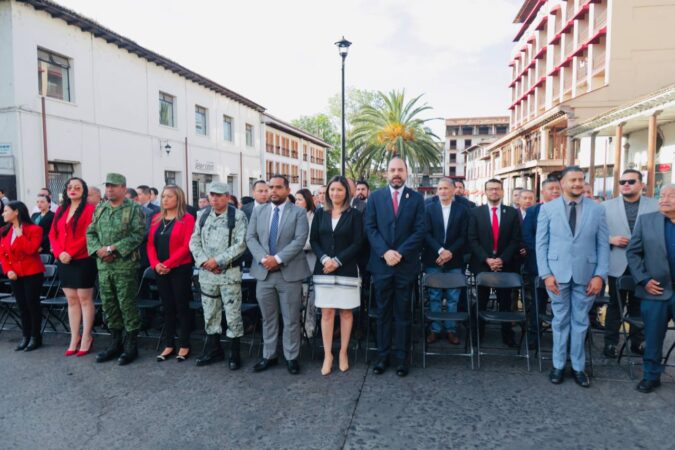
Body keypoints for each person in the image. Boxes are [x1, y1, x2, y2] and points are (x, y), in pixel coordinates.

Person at [536, 166, 609, 388]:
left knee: (580, 322)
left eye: (581, 179)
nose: (577, 183)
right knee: (559, 321)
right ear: (562, 184)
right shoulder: (547, 209)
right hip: (556, 276)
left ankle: (578, 367)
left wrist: (600, 275)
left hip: (587, 276)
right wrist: (546, 274)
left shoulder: (597, 210)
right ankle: (558, 365)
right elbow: (541, 244)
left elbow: (603, 245)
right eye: (573, 180)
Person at [365, 157, 425, 377]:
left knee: (403, 314)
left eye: (400, 169)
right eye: (392, 170)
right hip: (381, 266)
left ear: (406, 172)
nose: (396, 173)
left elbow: (420, 230)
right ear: (386, 173)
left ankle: (402, 358)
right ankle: (382, 357)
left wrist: (399, 253)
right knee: (383, 313)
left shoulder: (417, 199)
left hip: (405, 266)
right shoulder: (376, 198)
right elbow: (370, 228)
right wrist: (385, 252)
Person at [246, 174, 311, 375]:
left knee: (291, 318)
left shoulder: (298, 213)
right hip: (264, 272)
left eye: (278, 187)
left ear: (287, 190)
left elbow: (300, 240)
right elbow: (250, 237)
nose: (273, 191)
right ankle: (269, 355)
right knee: (268, 317)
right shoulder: (260, 211)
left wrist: (278, 259)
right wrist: (264, 259)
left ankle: (291, 357)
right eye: (270, 187)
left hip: (289, 273)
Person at [87, 173, 146, 366]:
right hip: (104, 265)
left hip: (125, 266)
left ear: (123, 187)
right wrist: (99, 250)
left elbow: (138, 235)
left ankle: (130, 346)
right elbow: (91, 232)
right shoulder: (101, 208)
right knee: (109, 304)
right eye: (107, 186)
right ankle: (115, 342)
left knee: (126, 304)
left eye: (114, 186)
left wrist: (113, 249)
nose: (109, 189)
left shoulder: (134, 209)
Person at [190, 182, 248, 370]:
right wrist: (204, 261)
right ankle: (214, 350)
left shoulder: (237, 216)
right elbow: (194, 241)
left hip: (228, 274)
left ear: (227, 197)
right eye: (212, 195)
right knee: (210, 313)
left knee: (232, 315)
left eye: (219, 195)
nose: (214, 199)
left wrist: (218, 261)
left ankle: (234, 353)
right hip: (207, 274)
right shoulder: (202, 215)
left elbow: (240, 244)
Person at [602, 169, 658, 358]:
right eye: (622, 181)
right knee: (614, 305)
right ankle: (610, 343)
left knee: (638, 306)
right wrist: (611, 239)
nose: (626, 184)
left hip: (644, 264)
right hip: (616, 262)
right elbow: (595, 233)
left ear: (642, 184)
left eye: (631, 181)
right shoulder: (606, 206)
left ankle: (637, 342)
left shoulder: (655, 205)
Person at [310, 176, 363, 375]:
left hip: (347, 270)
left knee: (346, 313)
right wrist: (325, 260)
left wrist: (337, 261)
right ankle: (328, 355)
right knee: (327, 313)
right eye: (332, 190)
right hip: (324, 269)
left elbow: (358, 242)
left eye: (340, 190)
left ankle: (342, 352)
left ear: (346, 193)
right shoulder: (320, 213)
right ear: (327, 192)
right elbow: (314, 240)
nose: (335, 193)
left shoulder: (355, 215)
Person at [626, 184, 675, 393]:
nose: (664, 199)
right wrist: (643, 280)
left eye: (670, 195)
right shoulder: (647, 221)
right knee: (653, 338)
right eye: (661, 195)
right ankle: (651, 376)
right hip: (655, 291)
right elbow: (633, 253)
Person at [468, 178, 522, 347]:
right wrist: (487, 259)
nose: (494, 192)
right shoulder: (475, 213)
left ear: (502, 191)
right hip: (482, 265)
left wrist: (501, 259)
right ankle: (478, 334)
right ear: (485, 192)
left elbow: (515, 240)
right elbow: (472, 239)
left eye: (497, 189)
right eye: (490, 189)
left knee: (505, 303)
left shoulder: (512, 213)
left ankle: (507, 335)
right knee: (481, 302)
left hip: (505, 265)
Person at [49, 177, 97, 357]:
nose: (73, 190)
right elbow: (53, 234)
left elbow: (89, 235)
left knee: (84, 298)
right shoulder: (61, 209)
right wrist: (59, 252)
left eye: (77, 187)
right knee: (71, 299)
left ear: (83, 191)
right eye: (70, 187)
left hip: (82, 258)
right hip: (63, 259)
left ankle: (86, 337)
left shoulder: (90, 210)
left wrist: (71, 252)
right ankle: (74, 337)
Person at [147, 185, 195, 362]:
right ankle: (169, 344)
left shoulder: (187, 219)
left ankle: (184, 344)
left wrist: (168, 263)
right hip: (160, 269)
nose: (164, 200)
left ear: (178, 199)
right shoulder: (156, 219)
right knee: (166, 307)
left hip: (180, 268)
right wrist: (155, 264)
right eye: (163, 196)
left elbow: (186, 245)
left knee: (181, 306)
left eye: (169, 196)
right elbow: (150, 244)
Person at [422, 178, 469, 345]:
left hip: (455, 260)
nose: (443, 191)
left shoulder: (462, 210)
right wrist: (441, 251)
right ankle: (434, 330)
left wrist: (450, 252)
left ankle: (450, 330)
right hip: (433, 258)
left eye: (446, 188)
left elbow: (464, 235)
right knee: (434, 296)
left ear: (453, 190)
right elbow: (426, 234)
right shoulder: (428, 209)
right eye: (440, 188)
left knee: (453, 297)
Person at [0, 201, 45, 351]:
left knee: (32, 304)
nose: (3, 213)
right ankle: (25, 336)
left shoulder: (34, 229)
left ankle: (35, 337)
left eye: (6, 210)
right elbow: (2, 254)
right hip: (15, 274)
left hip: (32, 272)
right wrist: (8, 270)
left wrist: (20, 234)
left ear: (16, 212)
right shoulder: (4, 231)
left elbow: (31, 250)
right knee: (21, 305)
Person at [522, 178, 561, 346]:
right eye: (551, 188)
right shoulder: (533, 211)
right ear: (543, 192)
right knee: (537, 302)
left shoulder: (566, 210)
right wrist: (544, 254)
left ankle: (560, 337)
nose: (555, 191)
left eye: (558, 188)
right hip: (538, 265)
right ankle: (533, 336)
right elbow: (527, 237)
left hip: (562, 266)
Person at [295, 188, 317, 338]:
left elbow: (311, 242)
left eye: (300, 199)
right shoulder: (293, 216)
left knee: (309, 297)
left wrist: (292, 247)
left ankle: (309, 329)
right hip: (294, 263)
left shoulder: (313, 217)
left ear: (307, 201)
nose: (296, 202)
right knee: (297, 297)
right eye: (295, 199)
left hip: (309, 261)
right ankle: (297, 330)